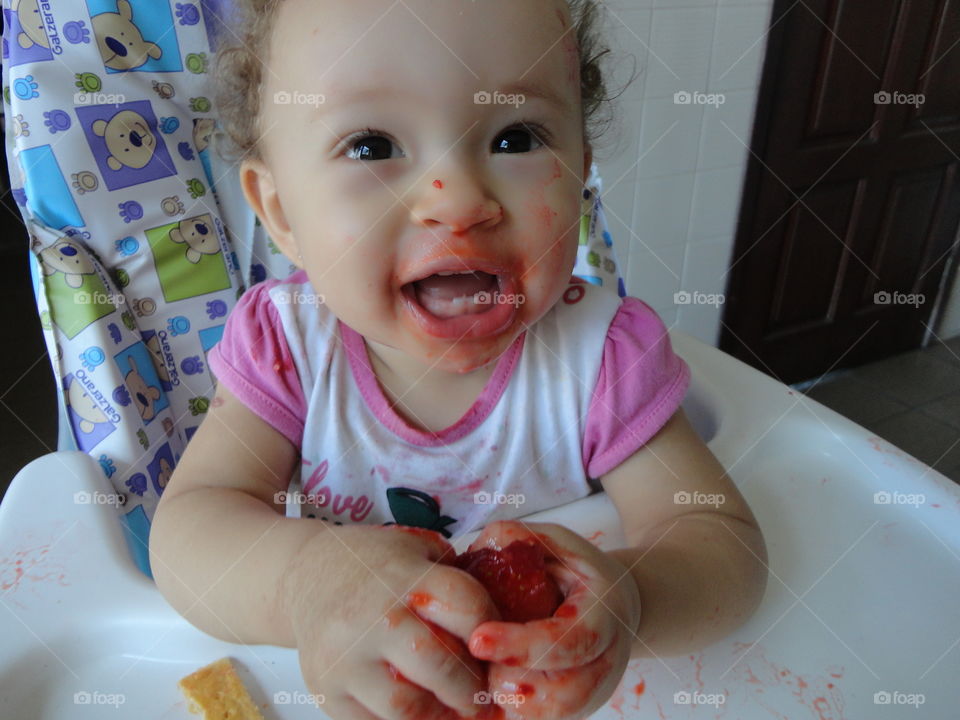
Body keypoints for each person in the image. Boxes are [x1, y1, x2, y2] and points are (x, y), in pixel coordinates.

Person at [150, 1, 768, 718]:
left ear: (579, 178)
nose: (460, 201)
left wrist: (633, 600)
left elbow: (723, 548)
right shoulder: (288, 347)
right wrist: (306, 584)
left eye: (516, 137)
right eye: (371, 147)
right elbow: (189, 533)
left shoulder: (603, 359)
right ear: (282, 211)